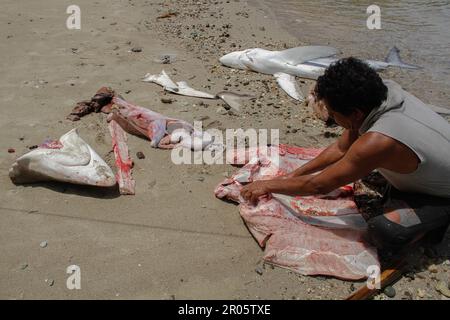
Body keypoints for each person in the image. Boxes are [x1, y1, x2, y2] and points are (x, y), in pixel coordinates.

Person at [240, 57, 450, 250]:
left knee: (385, 231)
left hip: (442, 194)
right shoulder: (382, 94)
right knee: (367, 171)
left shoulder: (378, 141)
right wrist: (293, 175)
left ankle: (435, 221)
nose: (331, 118)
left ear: (355, 113)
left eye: (333, 114)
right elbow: (341, 148)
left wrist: (266, 185)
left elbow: (319, 185)